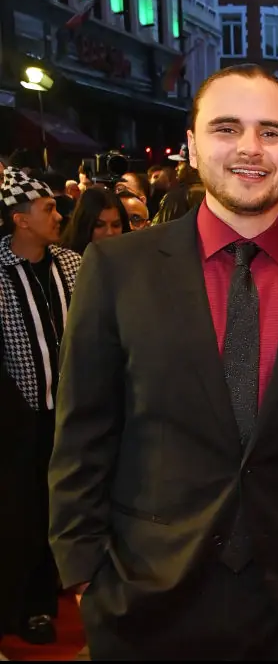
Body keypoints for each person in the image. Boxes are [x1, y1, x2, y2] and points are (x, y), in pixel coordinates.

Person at [48, 63, 278, 659]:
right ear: (194, 147)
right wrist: (84, 570)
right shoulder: (118, 269)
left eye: (271, 132)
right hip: (143, 594)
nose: (250, 148)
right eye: (227, 128)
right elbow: (84, 431)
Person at [0, 168, 81, 652]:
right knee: (21, 512)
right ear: (20, 220)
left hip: (74, 411)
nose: (58, 214)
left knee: (63, 506)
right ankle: (26, 605)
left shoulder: (71, 263)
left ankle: (55, 590)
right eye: (47, 208)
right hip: (19, 417)